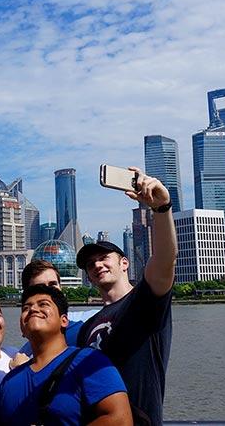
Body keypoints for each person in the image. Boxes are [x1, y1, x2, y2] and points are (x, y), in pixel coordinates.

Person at [76, 166, 177, 426]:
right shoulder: (88, 327)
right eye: (90, 264)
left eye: (103, 258)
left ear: (124, 263)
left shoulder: (145, 301)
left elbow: (165, 260)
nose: (97, 265)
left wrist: (161, 209)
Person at [0, 284, 132, 426]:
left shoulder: (89, 361)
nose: (33, 309)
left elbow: (120, 419)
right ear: (22, 328)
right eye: (26, 308)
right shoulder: (9, 381)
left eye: (43, 304)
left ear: (64, 321)